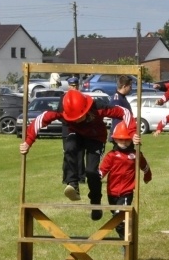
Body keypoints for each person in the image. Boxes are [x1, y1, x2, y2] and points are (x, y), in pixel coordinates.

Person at [19, 89, 135, 220]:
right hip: (76, 134)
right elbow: (39, 120)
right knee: (70, 147)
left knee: (91, 171)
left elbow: (125, 112)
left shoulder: (98, 107)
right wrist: (28, 142)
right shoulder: (61, 110)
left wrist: (132, 132)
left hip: (96, 137)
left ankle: (95, 201)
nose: (78, 120)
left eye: (80, 117)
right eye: (74, 118)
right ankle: (73, 184)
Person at [98, 122, 151, 240]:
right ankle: (124, 238)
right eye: (121, 140)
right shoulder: (111, 155)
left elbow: (145, 166)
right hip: (112, 192)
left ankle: (126, 241)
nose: (124, 143)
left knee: (120, 216)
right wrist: (96, 178)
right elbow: (103, 170)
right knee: (118, 220)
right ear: (115, 140)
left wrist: (147, 175)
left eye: (127, 140)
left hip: (126, 192)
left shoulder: (135, 154)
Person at [109, 75, 133, 145]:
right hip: (120, 133)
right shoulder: (116, 99)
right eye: (130, 86)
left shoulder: (122, 97)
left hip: (125, 132)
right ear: (124, 86)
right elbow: (116, 117)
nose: (131, 88)